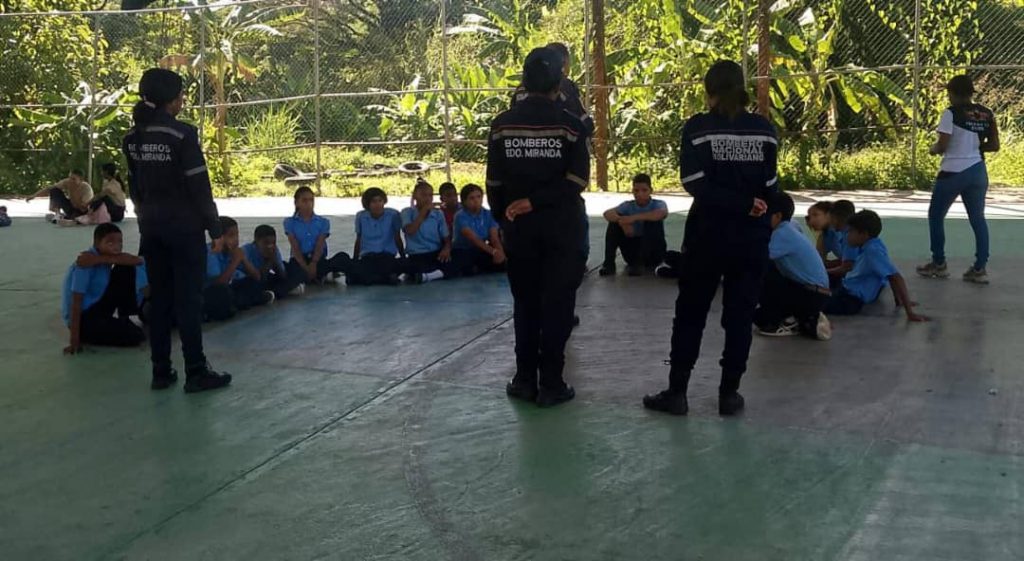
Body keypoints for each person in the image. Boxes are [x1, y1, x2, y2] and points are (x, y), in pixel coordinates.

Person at [642, 60, 777, 417]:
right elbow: (771, 186)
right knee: (739, 314)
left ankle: (678, 392)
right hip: (750, 239)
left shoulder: (699, 128)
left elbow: (695, 182)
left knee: (690, 313)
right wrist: (752, 206)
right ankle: (729, 395)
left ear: (709, 91)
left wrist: (736, 203)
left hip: (707, 236)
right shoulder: (764, 129)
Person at [488, 47, 590, 407]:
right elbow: (577, 180)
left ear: (524, 82)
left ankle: (523, 379)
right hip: (562, 227)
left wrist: (505, 217)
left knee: (526, 303)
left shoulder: (501, 125)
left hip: (520, 229)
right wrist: (540, 201)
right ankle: (552, 383)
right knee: (559, 304)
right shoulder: (570, 125)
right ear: (558, 83)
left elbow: (495, 183)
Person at [123, 67, 231, 393]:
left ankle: (161, 371)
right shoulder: (182, 135)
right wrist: (215, 228)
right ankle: (196, 371)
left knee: (161, 300)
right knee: (188, 302)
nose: (183, 99)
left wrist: (145, 220)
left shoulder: (132, 138)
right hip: (184, 231)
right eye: (181, 94)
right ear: (173, 99)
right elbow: (199, 187)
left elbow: (135, 186)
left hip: (152, 230)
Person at [917, 75, 998, 284]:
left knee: (936, 215)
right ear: (971, 92)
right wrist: (976, 148)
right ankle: (980, 268)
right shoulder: (986, 114)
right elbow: (994, 145)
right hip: (978, 170)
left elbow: (942, 145)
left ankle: (939, 263)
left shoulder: (950, 114)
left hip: (953, 171)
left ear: (952, 93)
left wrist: (933, 149)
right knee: (978, 219)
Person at [754, 192, 831, 340]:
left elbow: (756, 257)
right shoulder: (790, 225)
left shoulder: (782, 234)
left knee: (761, 272)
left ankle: (793, 319)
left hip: (811, 295)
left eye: (763, 214)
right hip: (816, 292)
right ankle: (801, 316)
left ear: (777, 216)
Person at [826, 210, 928, 322]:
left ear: (864, 234)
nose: (847, 236)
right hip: (848, 292)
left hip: (849, 300)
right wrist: (898, 300)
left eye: (851, 231)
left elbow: (895, 277)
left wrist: (910, 313)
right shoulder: (875, 244)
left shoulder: (872, 252)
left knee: (810, 302)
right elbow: (890, 272)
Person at [62, 223, 148, 354]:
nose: (116, 246)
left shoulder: (100, 258)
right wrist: (74, 339)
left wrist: (99, 259)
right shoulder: (84, 264)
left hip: (98, 308)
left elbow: (137, 261)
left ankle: (124, 317)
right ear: (97, 243)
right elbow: (76, 301)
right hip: (84, 318)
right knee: (136, 336)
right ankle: (94, 332)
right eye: (110, 242)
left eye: (120, 241)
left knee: (124, 268)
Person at [203, 216, 274, 321]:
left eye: (237, 234)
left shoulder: (233, 252)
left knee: (253, 283)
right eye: (231, 236)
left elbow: (257, 277)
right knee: (224, 293)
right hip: (211, 291)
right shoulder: (211, 252)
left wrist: (243, 259)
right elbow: (219, 283)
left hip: (230, 287)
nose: (236, 239)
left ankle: (242, 302)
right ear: (219, 238)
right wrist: (236, 261)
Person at [599, 173, 668, 276]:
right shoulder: (628, 205)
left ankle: (640, 264)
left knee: (652, 222)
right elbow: (607, 213)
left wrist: (632, 218)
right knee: (614, 224)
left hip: (653, 252)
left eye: (644, 190)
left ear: (651, 191)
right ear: (632, 191)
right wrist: (622, 222)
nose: (640, 194)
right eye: (636, 191)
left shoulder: (658, 204)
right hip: (632, 249)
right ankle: (609, 264)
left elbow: (662, 213)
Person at [283, 186, 351, 284]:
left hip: (317, 258)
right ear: (297, 203)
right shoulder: (289, 222)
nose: (309, 204)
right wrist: (305, 267)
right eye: (304, 200)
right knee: (288, 268)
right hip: (299, 260)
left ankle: (315, 276)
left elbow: (320, 244)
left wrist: (313, 263)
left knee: (342, 257)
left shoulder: (323, 222)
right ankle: (320, 276)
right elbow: (294, 246)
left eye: (311, 200)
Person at [349, 187, 405, 286]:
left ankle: (378, 278)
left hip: (387, 256)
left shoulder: (393, 215)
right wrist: (355, 260)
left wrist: (403, 257)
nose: (378, 204)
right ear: (367, 204)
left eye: (380, 201)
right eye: (374, 201)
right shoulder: (361, 217)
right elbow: (359, 239)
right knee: (355, 272)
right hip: (368, 257)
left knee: (394, 265)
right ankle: (382, 278)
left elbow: (397, 237)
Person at [401, 180, 451, 284]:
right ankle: (432, 275)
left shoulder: (438, 214)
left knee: (456, 262)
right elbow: (410, 230)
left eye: (430, 195)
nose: (427, 198)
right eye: (423, 195)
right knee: (406, 266)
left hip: (435, 253)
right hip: (417, 255)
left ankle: (427, 277)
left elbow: (446, 237)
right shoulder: (407, 212)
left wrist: (446, 248)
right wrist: (423, 212)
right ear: (415, 196)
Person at [451, 184, 506, 277]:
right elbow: (474, 239)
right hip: (463, 250)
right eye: (471, 198)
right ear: (464, 201)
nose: (476, 200)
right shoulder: (460, 216)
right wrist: (494, 252)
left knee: (503, 263)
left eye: (479, 197)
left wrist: (500, 253)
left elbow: (494, 238)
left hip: (482, 249)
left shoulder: (488, 214)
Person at [244, 225, 304, 300]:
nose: (270, 246)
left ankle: (278, 291)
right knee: (253, 286)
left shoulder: (274, 250)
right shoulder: (247, 251)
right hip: (251, 280)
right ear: (256, 241)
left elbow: (282, 275)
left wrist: (273, 259)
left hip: (266, 278)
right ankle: (279, 292)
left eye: (273, 243)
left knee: (295, 271)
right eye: (266, 243)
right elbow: (259, 278)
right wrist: (269, 260)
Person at [26, 170, 93, 221]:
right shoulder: (67, 182)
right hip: (70, 207)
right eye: (70, 178)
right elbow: (49, 188)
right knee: (54, 190)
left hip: (81, 211)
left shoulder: (86, 188)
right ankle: (58, 213)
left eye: (74, 179)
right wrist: (33, 196)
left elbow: (85, 206)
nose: (70, 181)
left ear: (81, 180)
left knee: (76, 216)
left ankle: (66, 217)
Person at [823, 199, 859, 281]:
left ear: (837, 218)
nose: (830, 222)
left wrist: (824, 271)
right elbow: (847, 261)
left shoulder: (849, 237)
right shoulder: (848, 232)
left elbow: (847, 268)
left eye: (831, 218)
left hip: (854, 281)